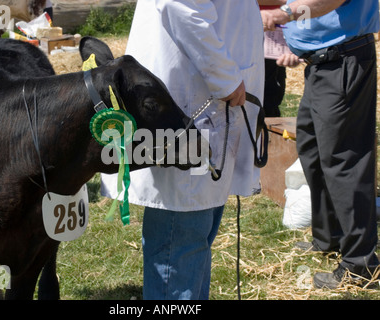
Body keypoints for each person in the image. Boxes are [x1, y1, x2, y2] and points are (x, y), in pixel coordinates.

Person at [101, 0, 264, 299]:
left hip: (213, 104)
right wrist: (225, 76)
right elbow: (181, 5)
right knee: (181, 239)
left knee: (196, 237)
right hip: (193, 100)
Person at [262, 0, 379, 289]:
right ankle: (330, 237)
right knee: (313, 152)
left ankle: (360, 265)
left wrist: (284, 14)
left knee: (344, 161)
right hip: (323, 64)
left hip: (342, 62)